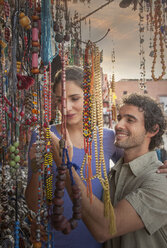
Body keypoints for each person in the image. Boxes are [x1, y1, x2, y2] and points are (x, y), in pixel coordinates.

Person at [50, 93, 167, 248]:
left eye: (130, 120)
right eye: (119, 118)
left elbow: (105, 228)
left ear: (152, 130)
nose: (118, 125)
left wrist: (64, 165)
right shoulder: (113, 174)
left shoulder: (161, 180)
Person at [25, 66, 123, 248]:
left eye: (74, 98)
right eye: (60, 99)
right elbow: (32, 204)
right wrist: (37, 168)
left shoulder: (109, 138)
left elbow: (140, 168)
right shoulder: (44, 136)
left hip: (98, 239)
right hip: (54, 240)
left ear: (89, 97)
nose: (66, 107)